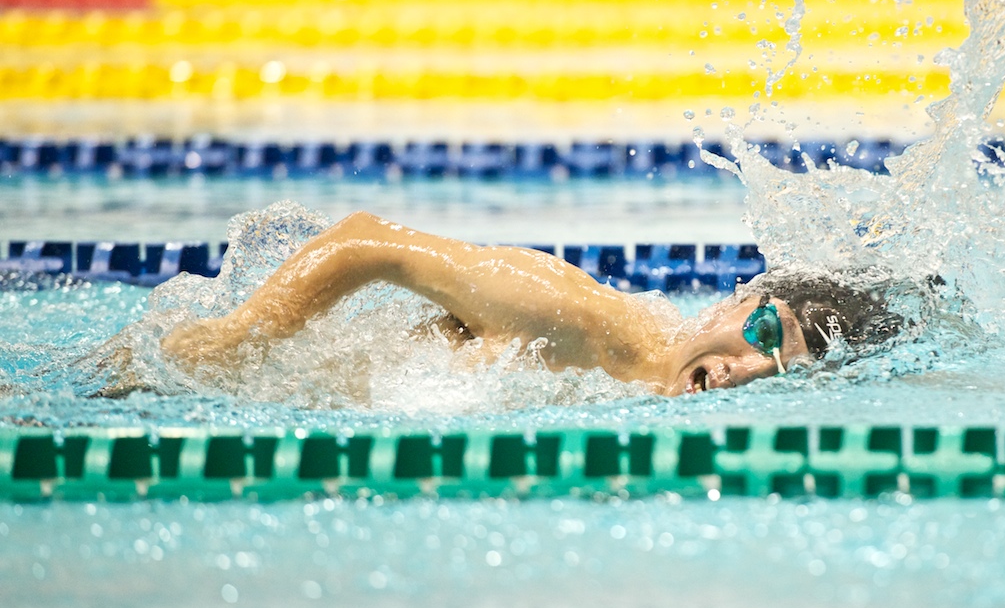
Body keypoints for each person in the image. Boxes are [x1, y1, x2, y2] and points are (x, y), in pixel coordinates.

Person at [162, 211, 909, 396]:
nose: (747, 371)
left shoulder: (651, 389)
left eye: (781, 372)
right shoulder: (572, 319)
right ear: (734, 302)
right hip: (190, 381)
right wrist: (238, 337)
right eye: (759, 332)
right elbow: (366, 242)